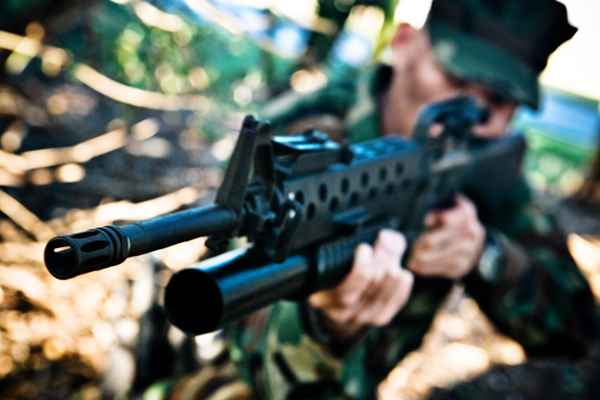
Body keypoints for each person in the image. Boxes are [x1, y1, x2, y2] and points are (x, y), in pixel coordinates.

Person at [223, 1, 598, 399]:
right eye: (456, 78)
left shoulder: (486, 166)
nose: (468, 113)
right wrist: (328, 326)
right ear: (403, 44)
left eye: (498, 99)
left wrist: (485, 255)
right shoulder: (294, 143)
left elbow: (578, 332)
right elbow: (247, 359)